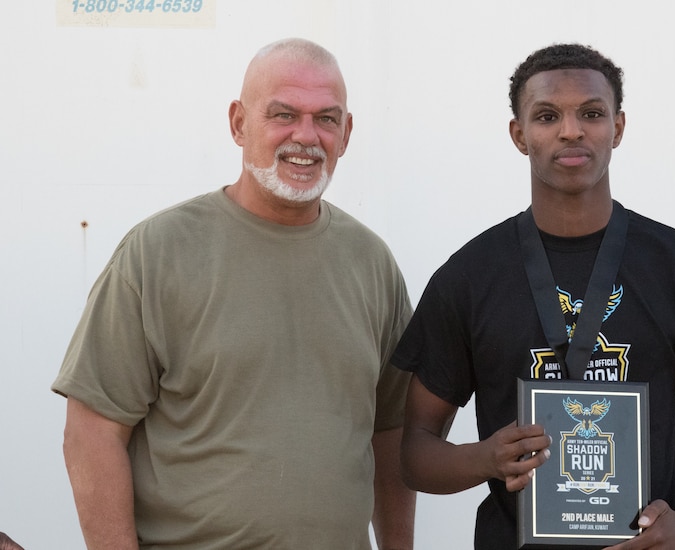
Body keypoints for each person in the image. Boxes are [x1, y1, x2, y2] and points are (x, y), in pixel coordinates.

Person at [52, 38, 415, 549]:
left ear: (347, 132)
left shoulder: (372, 263)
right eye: (283, 114)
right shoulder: (157, 253)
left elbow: (391, 434)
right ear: (239, 123)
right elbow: (91, 434)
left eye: (327, 119)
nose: (306, 136)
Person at [392, 43, 675, 549]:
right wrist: (484, 458)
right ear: (520, 135)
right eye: (547, 116)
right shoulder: (468, 278)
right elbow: (414, 454)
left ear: (618, 127)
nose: (571, 130)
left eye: (592, 113)